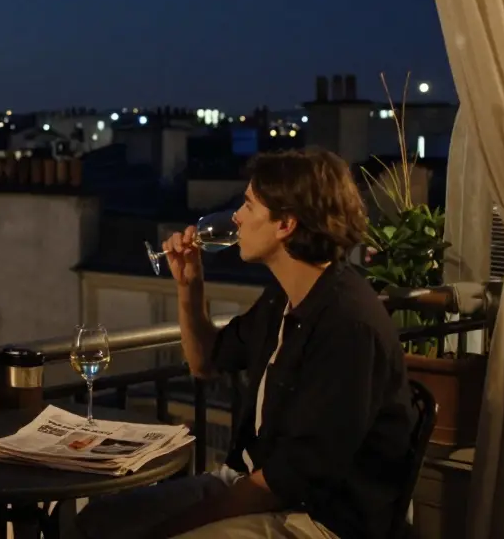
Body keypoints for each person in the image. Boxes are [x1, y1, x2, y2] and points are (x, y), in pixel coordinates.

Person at [79, 148, 415, 539]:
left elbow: (289, 479)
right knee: (98, 521)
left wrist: (172, 527)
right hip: (253, 486)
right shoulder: (283, 298)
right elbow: (205, 361)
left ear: (285, 224)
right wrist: (190, 287)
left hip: (319, 518)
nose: (236, 215)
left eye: (249, 205)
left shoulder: (347, 326)